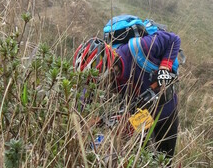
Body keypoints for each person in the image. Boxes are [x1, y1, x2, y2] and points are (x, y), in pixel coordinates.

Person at [73, 28, 181, 158]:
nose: (104, 86)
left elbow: (173, 39)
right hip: (141, 117)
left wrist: (164, 68)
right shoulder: (102, 79)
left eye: (102, 81)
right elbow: (84, 102)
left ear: (110, 68)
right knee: (141, 160)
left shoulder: (139, 48)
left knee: (165, 161)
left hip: (166, 109)